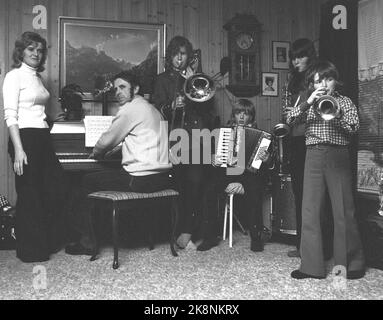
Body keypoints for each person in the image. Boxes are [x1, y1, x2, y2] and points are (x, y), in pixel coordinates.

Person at [65, 70, 172, 255]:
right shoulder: (152, 109)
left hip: (140, 180)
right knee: (103, 178)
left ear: (135, 89)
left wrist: (97, 154)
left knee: (84, 181)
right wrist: (118, 149)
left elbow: (106, 141)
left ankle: (87, 241)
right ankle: (106, 233)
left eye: (123, 87)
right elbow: (145, 141)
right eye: (115, 89)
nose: (118, 92)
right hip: (161, 178)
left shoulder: (130, 109)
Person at [287, 59, 365, 280]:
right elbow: (290, 120)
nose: (324, 84)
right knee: (310, 209)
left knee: (343, 210)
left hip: (338, 154)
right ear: (312, 84)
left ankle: (350, 264)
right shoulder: (308, 101)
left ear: (335, 81)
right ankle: (311, 267)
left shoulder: (346, 102)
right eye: (318, 80)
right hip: (313, 155)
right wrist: (307, 102)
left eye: (328, 79)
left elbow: (354, 127)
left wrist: (337, 112)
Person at [2, 31, 68, 262]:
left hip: (41, 137)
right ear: (21, 51)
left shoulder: (37, 78)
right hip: (24, 139)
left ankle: (46, 242)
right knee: (29, 194)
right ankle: (31, 251)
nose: (36, 54)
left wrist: (52, 120)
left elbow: (36, 110)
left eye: (40, 50)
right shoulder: (14, 76)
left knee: (53, 189)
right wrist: (19, 149)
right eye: (31, 49)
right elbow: (10, 115)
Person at [152, 36, 215, 249]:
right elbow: (156, 108)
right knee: (179, 185)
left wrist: (193, 80)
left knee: (196, 184)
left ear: (189, 57)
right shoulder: (162, 80)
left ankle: (188, 232)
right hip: (176, 137)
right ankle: (177, 231)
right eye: (176, 54)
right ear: (170, 56)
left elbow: (209, 111)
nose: (180, 58)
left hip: (198, 136)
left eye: (184, 53)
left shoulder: (198, 78)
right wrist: (172, 105)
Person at [197, 99, 273, 252]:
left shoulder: (262, 137)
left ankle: (256, 237)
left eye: (246, 114)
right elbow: (211, 156)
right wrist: (213, 159)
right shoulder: (224, 132)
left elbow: (266, 166)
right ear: (234, 115)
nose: (242, 117)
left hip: (249, 174)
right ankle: (209, 237)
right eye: (239, 113)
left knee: (255, 191)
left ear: (251, 116)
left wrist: (267, 159)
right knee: (209, 190)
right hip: (227, 171)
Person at [283, 38, 317, 258]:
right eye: (293, 57)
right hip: (294, 140)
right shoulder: (291, 81)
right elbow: (290, 115)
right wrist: (289, 116)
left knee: (313, 194)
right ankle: (301, 245)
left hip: (312, 139)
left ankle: (316, 246)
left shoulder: (317, 78)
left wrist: (298, 112)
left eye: (300, 56)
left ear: (310, 55)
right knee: (299, 192)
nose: (296, 61)